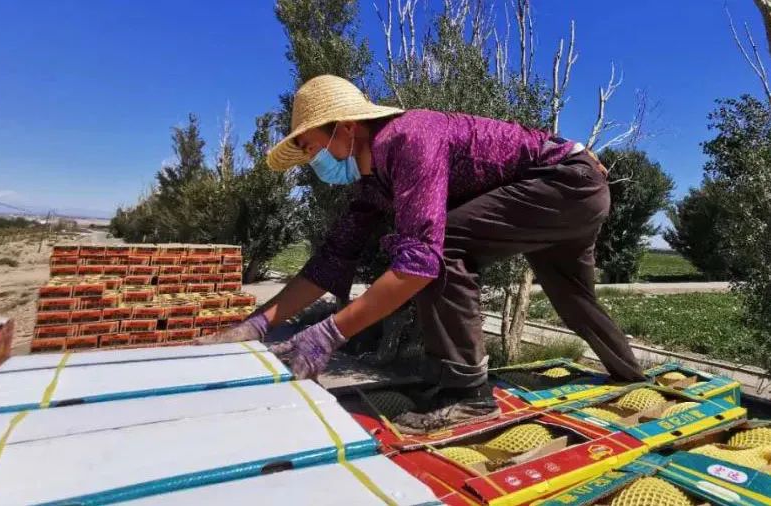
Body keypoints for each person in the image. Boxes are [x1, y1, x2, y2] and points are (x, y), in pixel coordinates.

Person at [197, 74, 646, 434]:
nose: (313, 161)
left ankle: (468, 395)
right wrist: (256, 325)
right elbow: (331, 259)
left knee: (439, 246)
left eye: (313, 147)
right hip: (577, 189)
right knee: (574, 299)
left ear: (345, 128)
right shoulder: (371, 185)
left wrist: (328, 334)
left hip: (566, 182)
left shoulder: (409, 138)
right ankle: (630, 375)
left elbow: (418, 265)